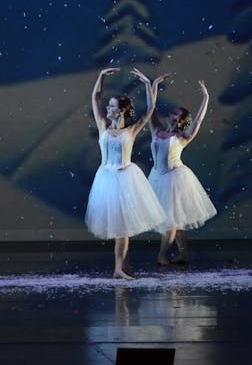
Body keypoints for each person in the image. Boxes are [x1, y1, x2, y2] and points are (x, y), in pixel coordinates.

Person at [85, 67, 167, 279]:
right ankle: (120, 268)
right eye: (109, 105)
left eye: (111, 106)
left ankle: (120, 268)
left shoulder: (131, 129)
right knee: (120, 230)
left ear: (120, 111)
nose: (107, 108)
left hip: (125, 179)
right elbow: (95, 97)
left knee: (123, 230)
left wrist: (148, 84)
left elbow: (150, 108)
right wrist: (100, 76)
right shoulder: (103, 125)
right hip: (106, 180)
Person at [147, 78, 217, 265]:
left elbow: (199, 120)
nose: (176, 119)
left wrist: (206, 97)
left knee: (171, 222)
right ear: (170, 116)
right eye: (174, 115)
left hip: (174, 179)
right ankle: (183, 254)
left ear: (182, 123)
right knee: (175, 221)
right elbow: (150, 109)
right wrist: (151, 85)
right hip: (157, 177)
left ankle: (161, 255)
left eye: (180, 119)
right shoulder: (157, 130)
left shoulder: (183, 137)